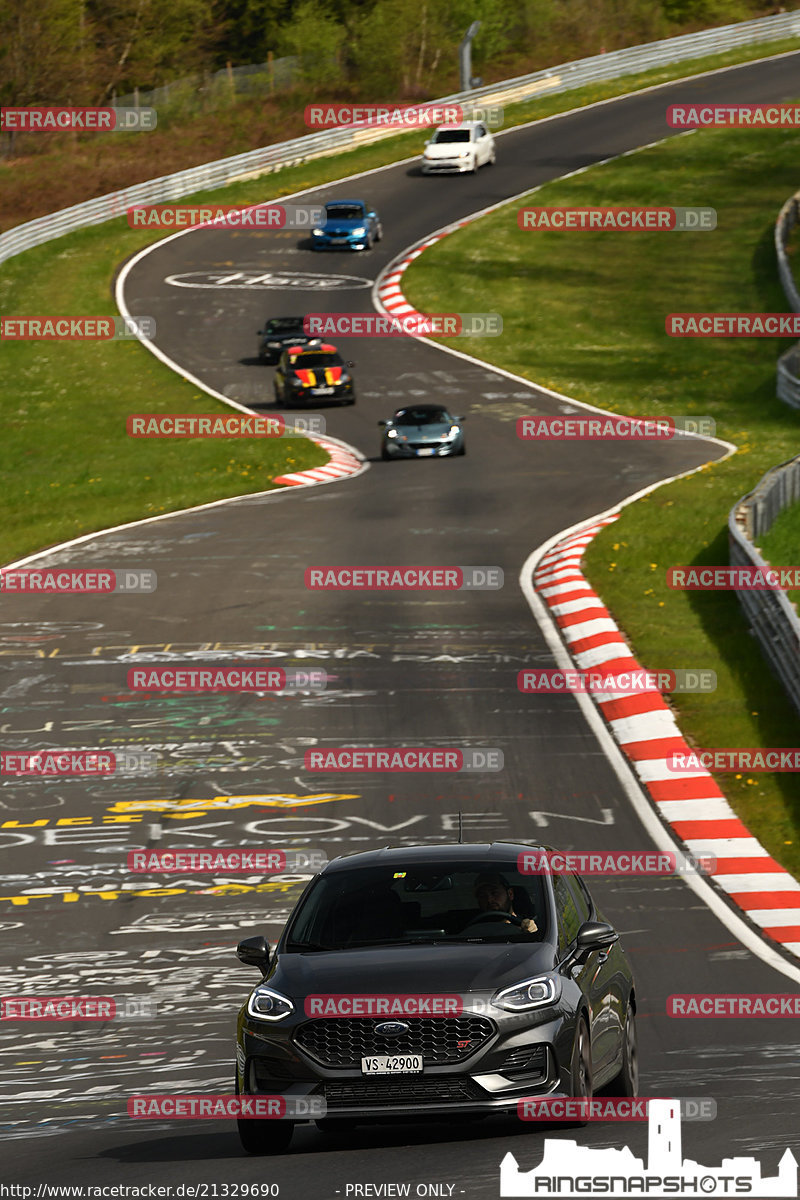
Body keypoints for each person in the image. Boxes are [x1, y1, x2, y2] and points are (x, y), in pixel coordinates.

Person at [473, 872, 538, 933]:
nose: (489, 900)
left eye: (494, 893)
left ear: (510, 894)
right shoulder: (474, 931)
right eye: (482, 896)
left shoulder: (527, 924)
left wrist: (531, 932)